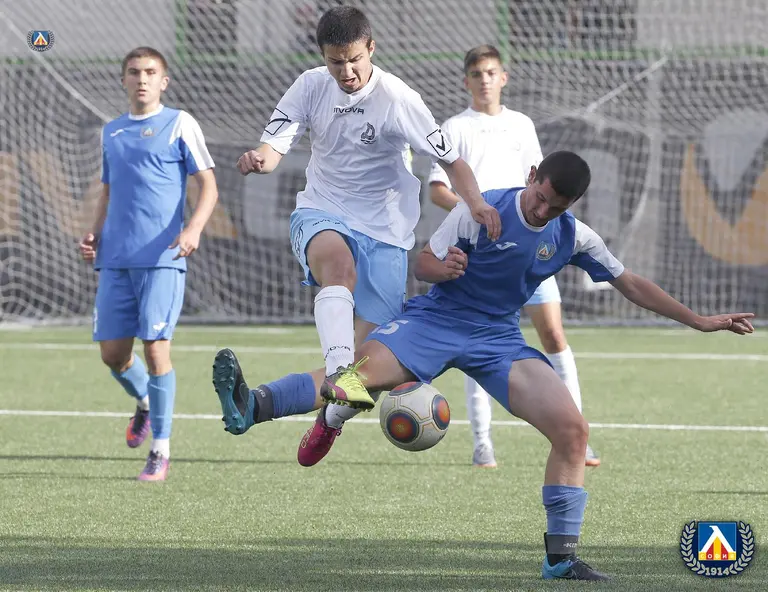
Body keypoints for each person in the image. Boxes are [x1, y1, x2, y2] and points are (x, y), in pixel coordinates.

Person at [210, 150, 754, 580]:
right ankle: (252, 405)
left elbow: (628, 281)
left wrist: (698, 320)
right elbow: (423, 262)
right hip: (437, 320)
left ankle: (560, 559)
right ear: (531, 176)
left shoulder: (572, 235)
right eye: (539, 197)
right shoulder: (481, 211)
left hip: (497, 339)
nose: (541, 211)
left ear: (571, 205)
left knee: (572, 431)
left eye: (554, 207)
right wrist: (444, 268)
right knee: (352, 380)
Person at [230, 5, 500, 466]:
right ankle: (338, 372)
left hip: (386, 231)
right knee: (339, 271)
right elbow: (273, 148)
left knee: (371, 369)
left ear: (371, 48)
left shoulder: (398, 98)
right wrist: (259, 159)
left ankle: (317, 416)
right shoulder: (310, 86)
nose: (347, 71)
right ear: (323, 57)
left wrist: (475, 203)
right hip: (322, 210)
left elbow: (452, 161)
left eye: (355, 59)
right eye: (336, 62)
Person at [428, 44, 597, 469]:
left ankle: (579, 435)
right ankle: (482, 443)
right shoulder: (455, 127)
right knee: (477, 340)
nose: (484, 80)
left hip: (531, 249)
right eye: (476, 74)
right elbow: (438, 189)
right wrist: (478, 212)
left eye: (491, 72)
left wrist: (526, 220)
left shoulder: (521, 125)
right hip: (483, 253)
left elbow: (542, 182)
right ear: (466, 81)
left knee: (553, 335)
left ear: (503, 77)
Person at [79, 46, 219, 481]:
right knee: (113, 355)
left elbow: (208, 185)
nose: (142, 78)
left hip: (163, 258)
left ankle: (160, 450)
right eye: (134, 72)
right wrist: (94, 234)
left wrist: (193, 229)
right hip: (115, 259)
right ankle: (144, 401)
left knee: (155, 348)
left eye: (150, 72)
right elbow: (107, 192)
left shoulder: (179, 123)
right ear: (123, 79)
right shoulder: (112, 131)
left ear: (164, 81)